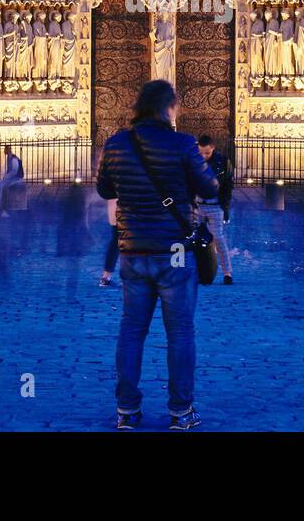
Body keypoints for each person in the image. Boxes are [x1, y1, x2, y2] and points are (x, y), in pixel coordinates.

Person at [95, 79, 219, 430]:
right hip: (175, 250)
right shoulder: (182, 144)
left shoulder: (117, 144)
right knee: (179, 331)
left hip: (133, 248)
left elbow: (104, 188)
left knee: (132, 329)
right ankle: (181, 412)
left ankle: (127, 411)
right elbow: (209, 186)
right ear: (168, 108)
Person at [196, 135, 234, 284]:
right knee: (192, 238)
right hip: (197, 205)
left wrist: (225, 208)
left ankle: (227, 273)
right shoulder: (193, 161)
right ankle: (194, 270)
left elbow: (228, 187)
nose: (204, 156)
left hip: (214, 205)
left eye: (207, 152)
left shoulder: (223, 162)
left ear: (213, 148)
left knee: (218, 238)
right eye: (201, 152)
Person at [0, 144, 24, 215]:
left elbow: (14, 171)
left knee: (1, 185)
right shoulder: (10, 158)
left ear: (8, 150)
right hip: (12, 178)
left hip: (17, 179)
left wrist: (6, 177)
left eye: (5, 149)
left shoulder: (13, 159)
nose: (4, 150)